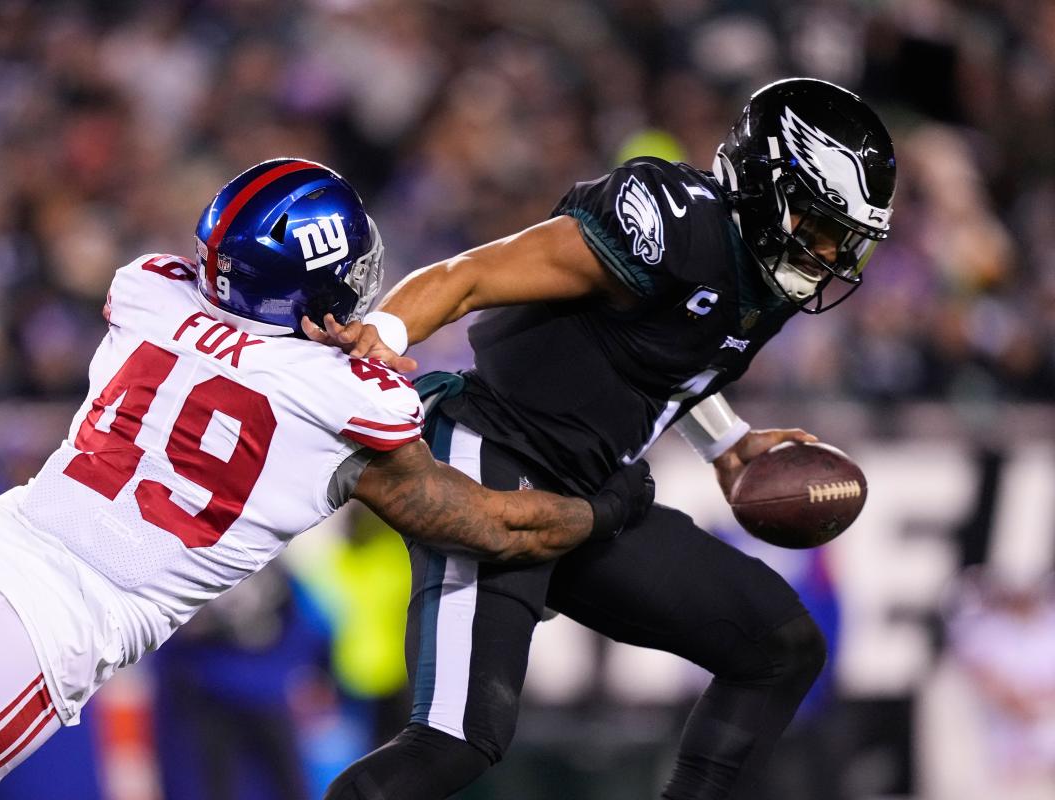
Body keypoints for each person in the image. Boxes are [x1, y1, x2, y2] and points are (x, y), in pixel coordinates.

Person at [0, 158, 655, 800]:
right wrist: (608, 507)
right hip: (29, 638)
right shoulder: (351, 402)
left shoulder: (147, 291)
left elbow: (214, 316)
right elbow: (490, 524)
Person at [312, 78, 898, 799]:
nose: (828, 254)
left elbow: (675, 354)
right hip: (495, 456)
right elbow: (469, 276)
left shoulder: (767, 275)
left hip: (592, 496)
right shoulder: (670, 223)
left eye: (846, 240)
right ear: (759, 186)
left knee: (780, 648)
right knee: (456, 741)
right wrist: (387, 332)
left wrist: (728, 443)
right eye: (816, 226)